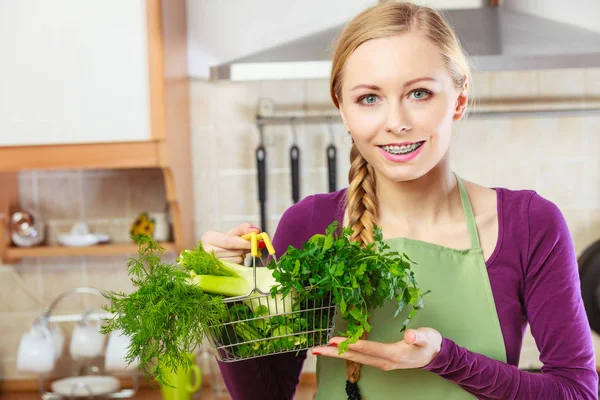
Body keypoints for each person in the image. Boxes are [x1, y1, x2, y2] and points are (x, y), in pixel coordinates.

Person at [200, 1, 598, 399]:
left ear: (459, 99)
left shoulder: (529, 225)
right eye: (369, 98)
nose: (396, 122)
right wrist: (221, 296)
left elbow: (577, 391)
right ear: (342, 108)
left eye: (419, 93)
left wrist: (446, 358)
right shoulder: (309, 226)